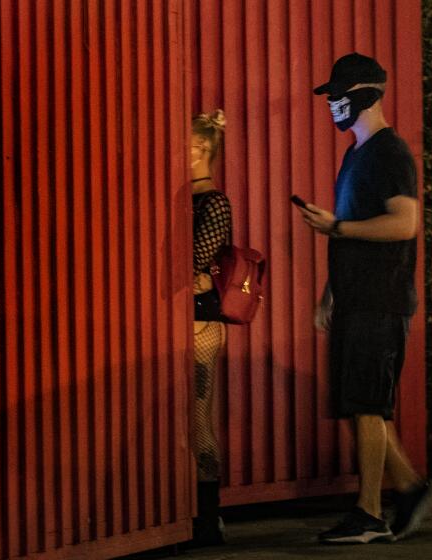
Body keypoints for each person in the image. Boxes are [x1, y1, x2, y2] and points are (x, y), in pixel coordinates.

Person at [300, 52, 432, 544]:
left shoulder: (389, 153)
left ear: (363, 94)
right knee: (357, 404)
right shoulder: (356, 155)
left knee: (366, 404)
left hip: (381, 300)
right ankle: (409, 489)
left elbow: (405, 222)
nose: (332, 106)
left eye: (337, 96)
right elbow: (351, 232)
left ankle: (368, 514)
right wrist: (331, 292)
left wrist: (335, 225)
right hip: (356, 298)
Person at [189, 109, 231, 547]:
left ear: (201, 148)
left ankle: (208, 519)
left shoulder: (213, 203)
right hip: (182, 319)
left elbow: (194, 261)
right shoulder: (184, 196)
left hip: (201, 325)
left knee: (197, 420)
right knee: (183, 419)